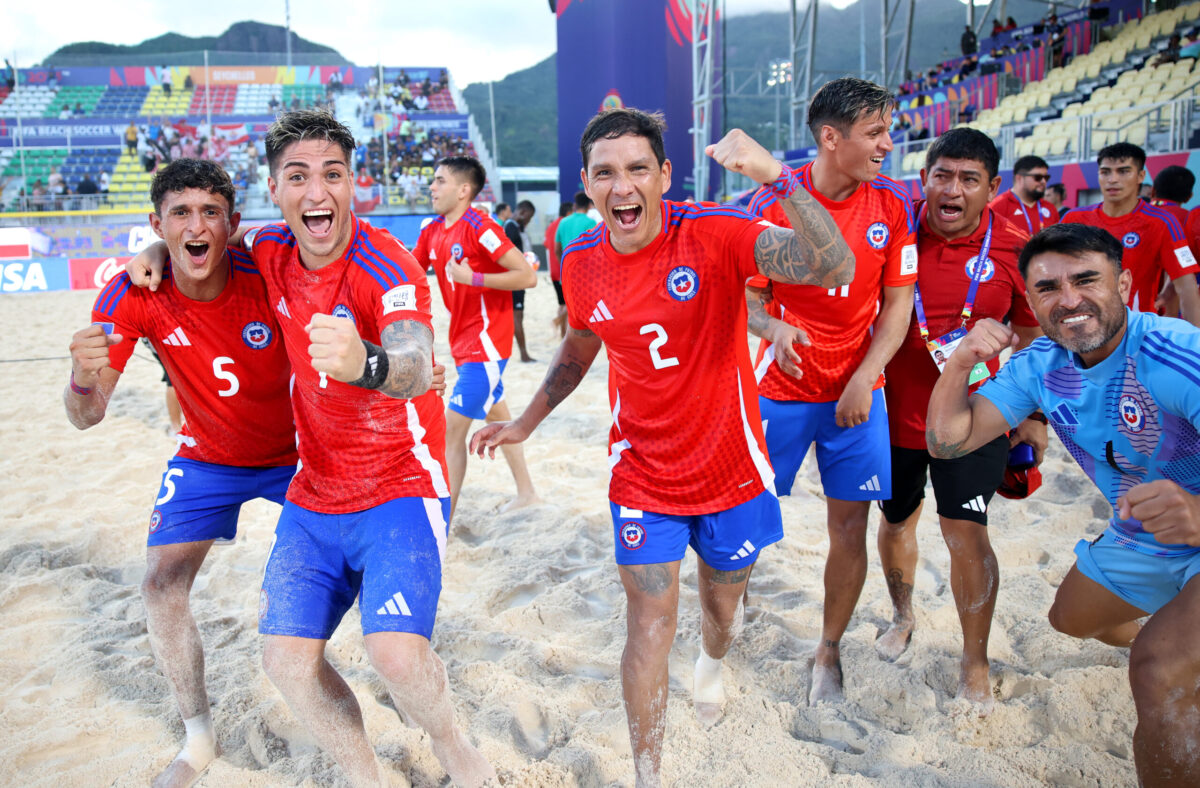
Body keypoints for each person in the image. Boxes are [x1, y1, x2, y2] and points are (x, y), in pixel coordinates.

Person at [470, 107, 854, 787]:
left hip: (732, 467)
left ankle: (711, 664)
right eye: (606, 173)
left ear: (664, 175)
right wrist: (528, 421)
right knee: (649, 622)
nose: (623, 186)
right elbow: (584, 339)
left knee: (720, 611)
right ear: (587, 184)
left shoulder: (712, 231)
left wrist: (772, 173)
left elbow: (832, 263)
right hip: (641, 472)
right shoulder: (582, 256)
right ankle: (649, 774)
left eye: (638, 169)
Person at [129, 109, 489, 788]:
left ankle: (453, 743)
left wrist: (368, 364)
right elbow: (195, 250)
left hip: (399, 486)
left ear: (356, 183)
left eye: (332, 174)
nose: (316, 192)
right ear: (276, 188)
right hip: (315, 492)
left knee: (396, 656)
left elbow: (415, 359)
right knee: (287, 662)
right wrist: (152, 255)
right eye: (298, 177)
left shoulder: (387, 264)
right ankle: (365, 775)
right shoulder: (268, 250)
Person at [926, 222, 1200, 787]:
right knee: (1071, 619)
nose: (1069, 299)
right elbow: (949, 440)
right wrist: (960, 365)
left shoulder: (1173, 354)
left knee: (1156, 668)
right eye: (1048, 288)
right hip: (1146, 534)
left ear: (1124, 283)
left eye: (1086, 280)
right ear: (1029, 300)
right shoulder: (1040, 364)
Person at [66, 158, 297, 786]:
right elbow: (86, 417)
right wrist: (83, 379)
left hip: (296, 452)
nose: (196, 227)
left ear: (234, 223)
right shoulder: (130, 291)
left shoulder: (266, 267)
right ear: (157, 222)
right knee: (161, 585)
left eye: (210, 213)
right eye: (179, 214)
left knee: (336, 577)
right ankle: (198, 737)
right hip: (205, 457)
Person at [742, 76, 917, 704]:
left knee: (849, 528)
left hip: (858, 395)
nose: (887, 145)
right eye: (875, 133)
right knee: (746, 519)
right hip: (781, 389)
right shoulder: (768, 202)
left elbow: (897, 310)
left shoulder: (893, 205)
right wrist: (771, 324)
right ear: (829, 137)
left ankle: (829, 649)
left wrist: (864, 379)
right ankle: (725, 624)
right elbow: (748, 299)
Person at [874, 129, 1044, 712]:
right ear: (925, 179)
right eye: (942, 175)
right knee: (897, 523)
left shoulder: (1016, 247)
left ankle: (974, 661)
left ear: (992, 188)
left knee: (966, 533)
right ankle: (902, 614)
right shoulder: (892, 230)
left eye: (969, 179)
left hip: (974, 419)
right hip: (893, 416)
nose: (952, 189)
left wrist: (1031, 414)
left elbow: (1031, 335)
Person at [412, 156, 539, 520]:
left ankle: (442, 529)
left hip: (486, 344)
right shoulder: (433, 230)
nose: (432, 187)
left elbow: (527, 276)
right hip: (462, 344)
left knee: (450, 432)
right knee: (499, 416)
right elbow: (408, 270)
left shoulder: (480, 226)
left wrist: (475, 279)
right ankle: (527, 492)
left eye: (439, 181)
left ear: (464, 190)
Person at [1062, 143, 1200, 327]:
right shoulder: (1073, 219)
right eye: (1106, 172)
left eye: (1123, 171)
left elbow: (1186, 286)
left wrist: (1195, 344)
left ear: (1140, 176)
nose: (1113, 179)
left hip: (1136, 331)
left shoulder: (1162, 222)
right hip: (1082, 326)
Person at [503, 199, 538, 362]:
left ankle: (517, 352)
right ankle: (523, 354)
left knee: (514, 316)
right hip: (514, 278)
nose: (529, 221)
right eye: (529, 218)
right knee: (517, 316)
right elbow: (509, 254)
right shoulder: (510, 227)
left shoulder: (514, 227)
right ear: (523, 213)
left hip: (514, 277)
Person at [990, 154, 1058, 236]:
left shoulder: (1050, 208)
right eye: (1038, 177)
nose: (1043, 182)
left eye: (1046, 177)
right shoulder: (998, 206)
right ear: (1019, 178)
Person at [546, 201, 572, 337]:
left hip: (554, 271)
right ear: (569, 212)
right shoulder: (567, 224)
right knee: (570, 304)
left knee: (562, 303)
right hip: (564, 271)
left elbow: (547, 245)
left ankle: (562, 334)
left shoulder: (551, 226)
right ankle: (559, 325)